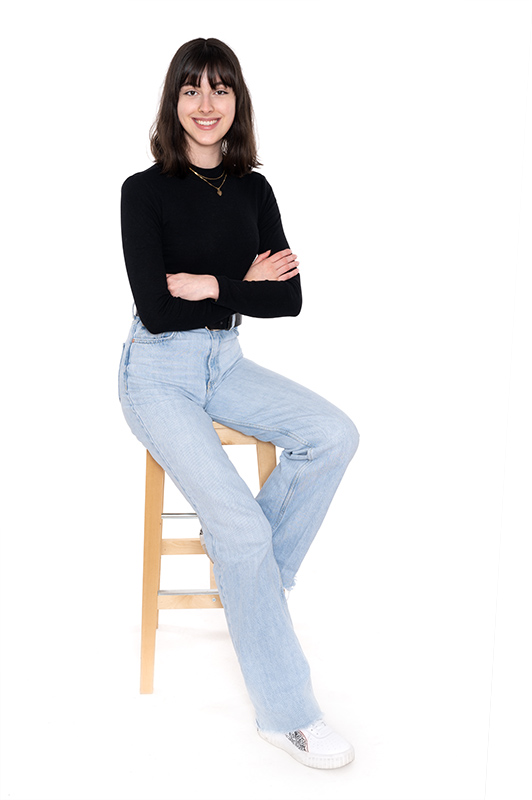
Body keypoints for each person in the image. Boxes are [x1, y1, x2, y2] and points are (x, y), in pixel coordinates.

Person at [118, 37, 359, 770]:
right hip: (157, 372)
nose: (206, 103)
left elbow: (288, 299)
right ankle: (288, 715)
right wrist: (240, 279)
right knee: (244, 533)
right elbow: (158, 308)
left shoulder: (254, 189)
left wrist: (214, 284)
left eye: (220, 88)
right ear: (173, 101)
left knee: (334, 434)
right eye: (191, 89)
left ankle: (246, 569)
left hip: (226, 360)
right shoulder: (143, 191)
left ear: (237, 101)